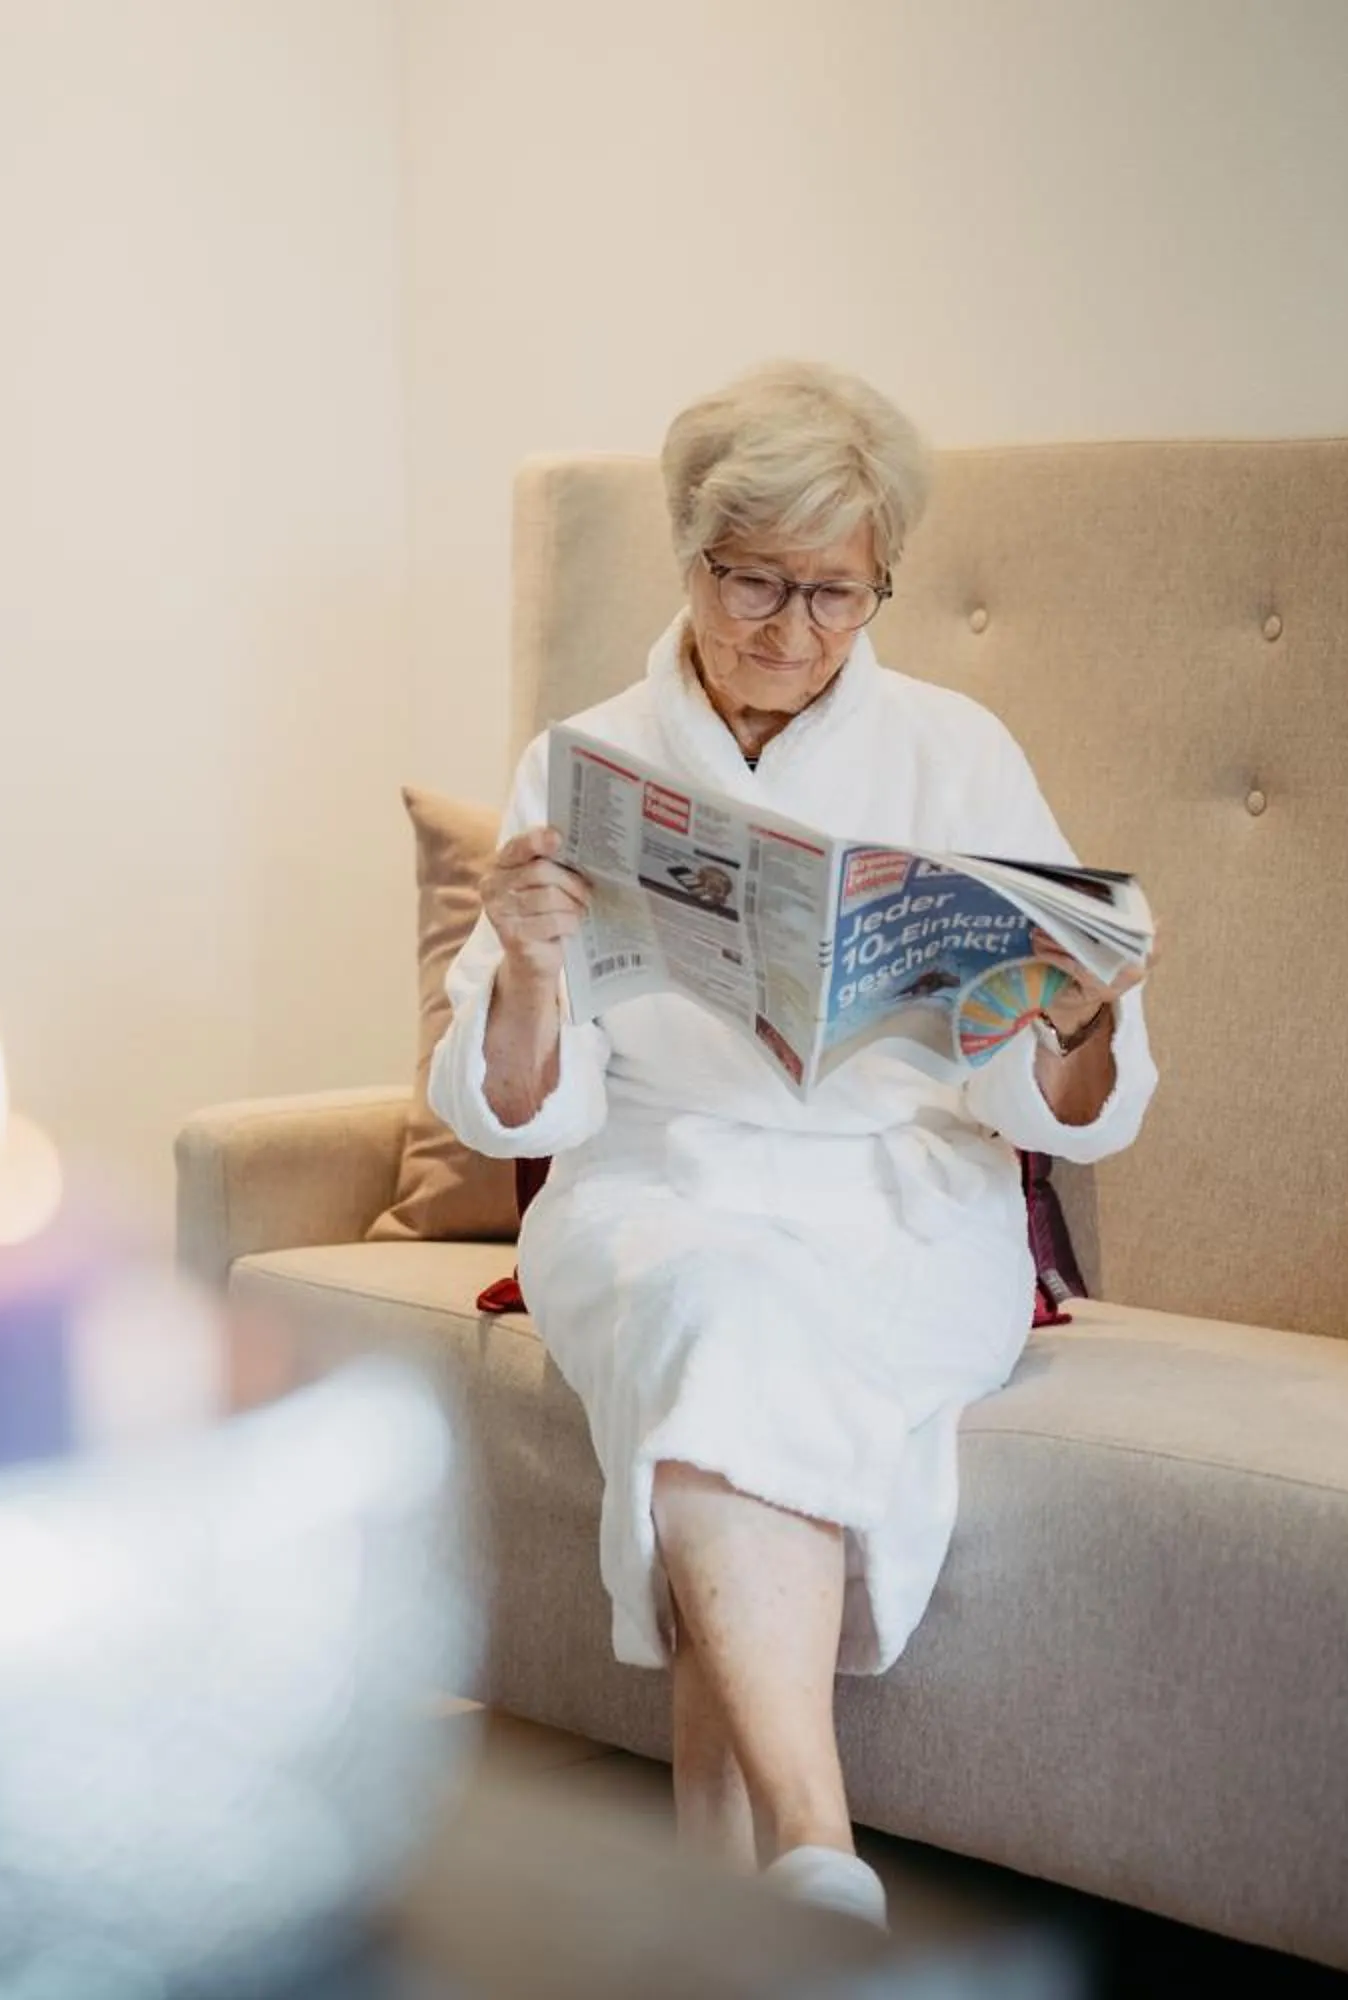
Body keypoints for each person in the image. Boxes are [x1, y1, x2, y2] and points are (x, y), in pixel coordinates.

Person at [429, 360, 1157, 1929]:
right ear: (686, 560)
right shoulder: (586, 760)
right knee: (710, 1302)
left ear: (881, 579)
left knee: (730, 1344)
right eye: (753, 581)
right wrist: (535, 966)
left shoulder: (958, 751)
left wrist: (1081, 1021)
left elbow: (1054, 1098)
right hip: (657, 1181)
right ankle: (819, 1856)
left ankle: (747, 1902)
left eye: (837, 593)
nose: (792, 630)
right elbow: (523, 1110)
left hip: (903, 1199)